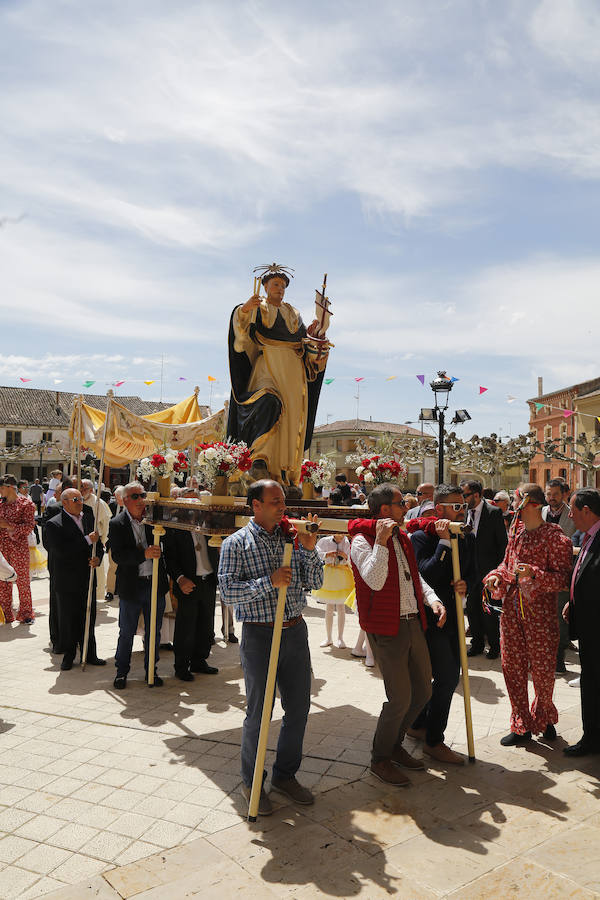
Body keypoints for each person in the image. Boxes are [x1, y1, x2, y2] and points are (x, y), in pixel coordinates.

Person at [218, 479, 323, 816]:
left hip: (295, 630)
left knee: (299, 709)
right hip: (260, 635)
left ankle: (285, 775)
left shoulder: (291, 537)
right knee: (260, 713)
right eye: (275, 501)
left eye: (283, 501)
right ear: (256, 505)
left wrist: (308, 549)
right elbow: (229, 593)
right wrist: (269, 582)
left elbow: (316, 583)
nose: (282, 507)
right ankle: (253, 782)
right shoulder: (236, 544)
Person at [349, 484, 444, 786]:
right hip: (386, 628)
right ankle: (381, 758)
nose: (406, 508)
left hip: (413, 622)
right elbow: (375, 581)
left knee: (423, 691)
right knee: (400, 698)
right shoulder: (361, 542)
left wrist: (433, 599)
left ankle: (395, 745)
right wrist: (379, 540)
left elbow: (413, 578)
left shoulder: (402, 537)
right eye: (401, 503)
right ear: (385, 510)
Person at [226, 264, 331, 485]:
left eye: (283, 285)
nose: (280, 289)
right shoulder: (258, 307)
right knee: (268, 402)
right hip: (268, 366)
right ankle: (259, 460)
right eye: (275, 284)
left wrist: (315, 334)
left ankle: (283, 476)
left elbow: (303, 341)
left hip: (293, 370)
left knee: (292, 419)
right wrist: (244, 309)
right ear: (265, 286)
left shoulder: (293, 313)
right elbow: (241, 332)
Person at [485, 483, 572, 746]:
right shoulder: (516, 534)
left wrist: (534, 574)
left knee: (544, 672)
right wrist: (496, 577)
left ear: (531, 504)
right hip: (511, 613)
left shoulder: (556, 538)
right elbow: (505, 564)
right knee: (512, 668)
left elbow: (563, 580)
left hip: (541, 616)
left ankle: (544, 718)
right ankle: (521, 723)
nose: (513, 507)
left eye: (516, 501)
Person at [408, 485, 478, 764]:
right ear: (439, 509)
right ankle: (434, 740)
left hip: (455, 617)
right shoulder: (420, 538)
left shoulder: (467, 537)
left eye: (463, 506)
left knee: (448, 675)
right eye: (456, 506)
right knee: (445, 677)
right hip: (430, 618)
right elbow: (425, 575)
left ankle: (420, 723)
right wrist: (444, 543)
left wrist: (466, 585)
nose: (462, 512)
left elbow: (473, 572)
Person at [109, 482, 168, 689]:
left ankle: (151, 670)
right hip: (132, 586)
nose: (140, 500)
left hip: (154, 585)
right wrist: (142, 555)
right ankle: (121, 672)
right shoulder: (117, 523)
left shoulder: (154, 521)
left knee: (155, 632)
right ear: (125, 500)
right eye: (135, 496)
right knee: (126, 631)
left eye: (143, 495)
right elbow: (117, 555)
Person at [43, 489, 105, 670]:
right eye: (75, 499)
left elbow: (98, 544)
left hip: (87, 576)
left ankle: (90, 653)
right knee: (69, 618)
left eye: (81, 498)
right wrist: (86, 540)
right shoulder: (54, 524)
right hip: (67, 579)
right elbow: (60, 551)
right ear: (65, 503)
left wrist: (98, 558)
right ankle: (69, 655)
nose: (80, 502)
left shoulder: (88, 517)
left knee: (88, 615)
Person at [164, 488, 219, 681]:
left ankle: (199, 660)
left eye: (196, 503)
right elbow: (169, 558)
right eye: (189, 503)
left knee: (206, 624)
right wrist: (179, 579)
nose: (192, 507)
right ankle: (181, 666)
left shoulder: (207, 524)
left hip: (208, 580)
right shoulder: (174, 528)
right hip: (188, 582)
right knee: (186, 627)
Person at [562, 488, 600, 756]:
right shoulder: (588, 537)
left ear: (586, 511)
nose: (570, 515)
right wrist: (572, 601)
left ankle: (593, 740)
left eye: (573, 510)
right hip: (588, 624)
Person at [461, 479, 507, 660]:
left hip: (489, 571)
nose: (463, 499)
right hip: (469, 571)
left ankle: (495, 646)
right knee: (472, 609)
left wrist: (498, 572)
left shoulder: (493, 513)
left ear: (477, 495)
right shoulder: (463, 512)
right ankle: (477, 644)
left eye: (465, 495)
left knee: (489, 610)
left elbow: (501, 544)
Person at [542, 478, 576, 674]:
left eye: (555, 494)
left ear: (564, 495)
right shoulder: (542, 513)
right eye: (548, 494)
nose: (551, 498)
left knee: (559, 618)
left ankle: (559, 658)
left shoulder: (572, 515)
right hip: (542, 574)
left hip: (563, 573)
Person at [0, 474, 36, 624]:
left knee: (22, 581)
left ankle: (26, 613)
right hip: (2, 547)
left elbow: (29, 526)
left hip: (18, 548)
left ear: (9, 487)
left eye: (1, 488)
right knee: (3, 581)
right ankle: (6, 614)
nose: (0, 491)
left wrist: (9, 526)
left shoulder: (26, 504)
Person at [313, 534, 353, 649]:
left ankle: (340, 637)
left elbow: (351, 558)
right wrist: (327, 554)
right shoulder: (325, 540)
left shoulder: (347, 542)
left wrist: (345, 556)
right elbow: (317, 552)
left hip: (342, 575)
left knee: (341, 608)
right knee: (329, 607)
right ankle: (329, 637)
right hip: (329, 573)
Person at [81, 479, 111, 604]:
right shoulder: (77, 500)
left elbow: (106, 523)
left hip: (95, 541)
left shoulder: (99, 503)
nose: (82, 491)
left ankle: (96, 596)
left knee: (97, 572)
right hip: (81, 540)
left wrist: (102, 540)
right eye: (80, 488)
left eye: (84, 489)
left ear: (91, 490)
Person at [105, 485, 125, 601]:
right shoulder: (112, 506)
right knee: (112, 567)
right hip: (113, 542)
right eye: (116, 498)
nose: (118, 500)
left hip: (126, 543)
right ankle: (110, 591)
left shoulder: (130, 507)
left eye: (120, 498)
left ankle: (122, 590)